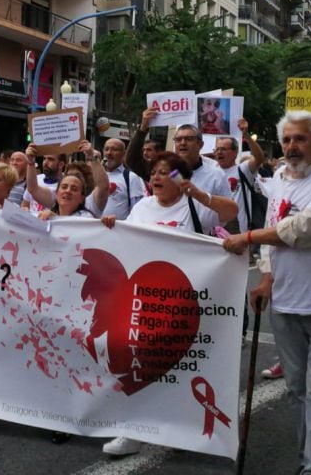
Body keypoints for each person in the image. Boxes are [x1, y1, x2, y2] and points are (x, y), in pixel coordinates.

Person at [222, 111, 311, 475]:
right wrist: (266, 277)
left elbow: (307, 228)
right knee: (298, 389)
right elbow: (273, 232)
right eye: (286, 140)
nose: (291, 147)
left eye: (299, 139)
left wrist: (247, 237)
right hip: (285, 303)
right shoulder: (281, 178)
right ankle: (308, 458)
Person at [95, 151, 212, 457]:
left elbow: (230, 211)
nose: (157, 177)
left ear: (180, 179)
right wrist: (111, 224)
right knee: (138, 362)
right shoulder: (143, 206)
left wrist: (196, 193)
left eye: (165, 172)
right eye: (154, 172)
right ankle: (133, 431)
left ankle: (179, 428)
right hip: (144, 299)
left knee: (177, 367)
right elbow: (127, 238)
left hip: (182, 300)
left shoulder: (194, 205)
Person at [214, 118, 266, 234]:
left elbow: (259, 158)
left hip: (240, 231)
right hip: (215, 229)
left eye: (223, 149)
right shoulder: (212, 172)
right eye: (217, 149)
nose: (219, 153)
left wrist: (246, 135)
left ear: (235, 152)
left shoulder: (243, 169)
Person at [91, 138, 146, 220]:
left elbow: (137, 211)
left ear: (123, 153)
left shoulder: (131, 178)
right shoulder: (93, 175)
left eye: (114, 150)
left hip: (118, 231)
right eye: (106, 149)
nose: (109, 153)